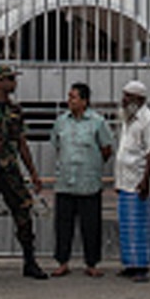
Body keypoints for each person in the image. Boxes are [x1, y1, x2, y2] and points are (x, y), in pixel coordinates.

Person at [0, 65, 49, 282]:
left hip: (11, 170)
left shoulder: (16, 110)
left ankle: (29, 262)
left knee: (24, 212)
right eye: (10, 79)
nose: (14, 83)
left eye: (14, 79)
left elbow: (22, 143)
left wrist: (33, 173)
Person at [49, 81, 114, 278]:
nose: (69, 101)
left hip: (89, 183)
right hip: (65, 182)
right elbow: (57, 145)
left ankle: (92, 263)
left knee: (91, 226)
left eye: (73, 97)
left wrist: (91, 164)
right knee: (63, 225)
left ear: (84, 101)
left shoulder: (97, 122)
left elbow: (106, 149)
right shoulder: (61, 121)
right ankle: (62, 262)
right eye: (69, 97)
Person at [114, 79, 150, 282]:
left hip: (139, 181)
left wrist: (146, 180)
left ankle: (142, 267)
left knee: (141, 225)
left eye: (127, 96)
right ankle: (130, 264)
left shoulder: (148, 120)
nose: (123, 100)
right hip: (125, 181)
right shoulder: (128, 118)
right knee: (127, 226)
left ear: (138, 99)